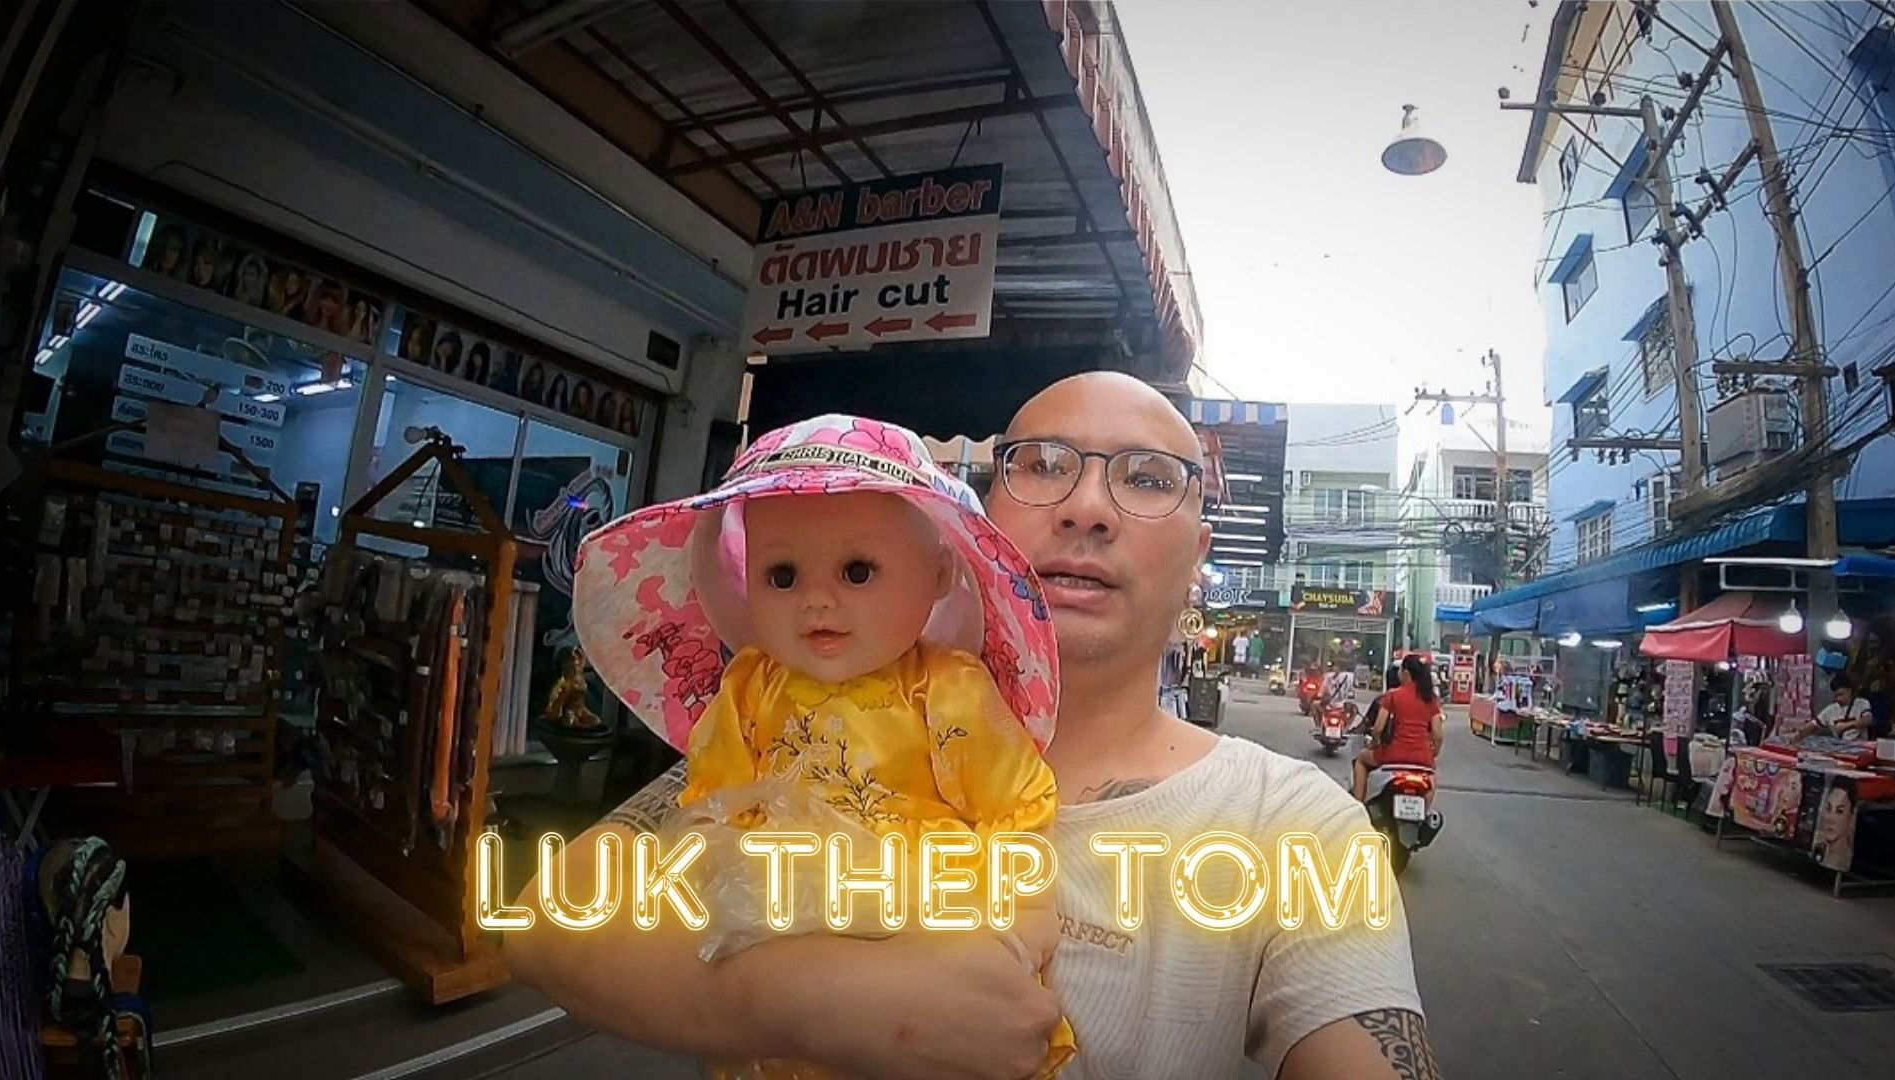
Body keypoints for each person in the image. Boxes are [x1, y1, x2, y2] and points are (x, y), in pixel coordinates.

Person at [510, 372, 1434, 1080]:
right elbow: (551, 921)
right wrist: (796, 1001)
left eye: (1150, 479)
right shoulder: (799, 732)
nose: (1087, 509)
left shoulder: (1289, 824)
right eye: (1043, 466)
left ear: (1200, 554)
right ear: (972, 524)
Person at [571, 415, 1075, 1079]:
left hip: (921, 931)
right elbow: (715, 800)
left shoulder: (947, 690)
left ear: (939, 573)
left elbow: (1014, 812)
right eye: (781, 575)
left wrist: (1020, 922)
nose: (815, 601)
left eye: (857, 570)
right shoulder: (751, 687)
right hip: (771, 932)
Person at [1353, 655, 1444, 803]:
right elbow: (1438, 734)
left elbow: (1378, 728)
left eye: (1400, 671)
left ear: (1406, 673)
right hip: (1422, 759)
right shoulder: (1431, 699)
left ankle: (1358, 804)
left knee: (1361, 760)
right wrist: (1434, 753)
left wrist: (1374, 744)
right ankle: (1425, 812)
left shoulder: (1393, 695)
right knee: (1432, 779)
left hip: (1393, 755)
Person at [1802, 676, 1874, 739]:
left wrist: (1847, 725)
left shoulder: (1862, 703)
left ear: (1849, 691)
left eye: (1840, 694)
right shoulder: (1830, 709)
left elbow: (1868, 720)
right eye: (1835, 696)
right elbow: (1814, 724)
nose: (1838, 699)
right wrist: (1801, 731)